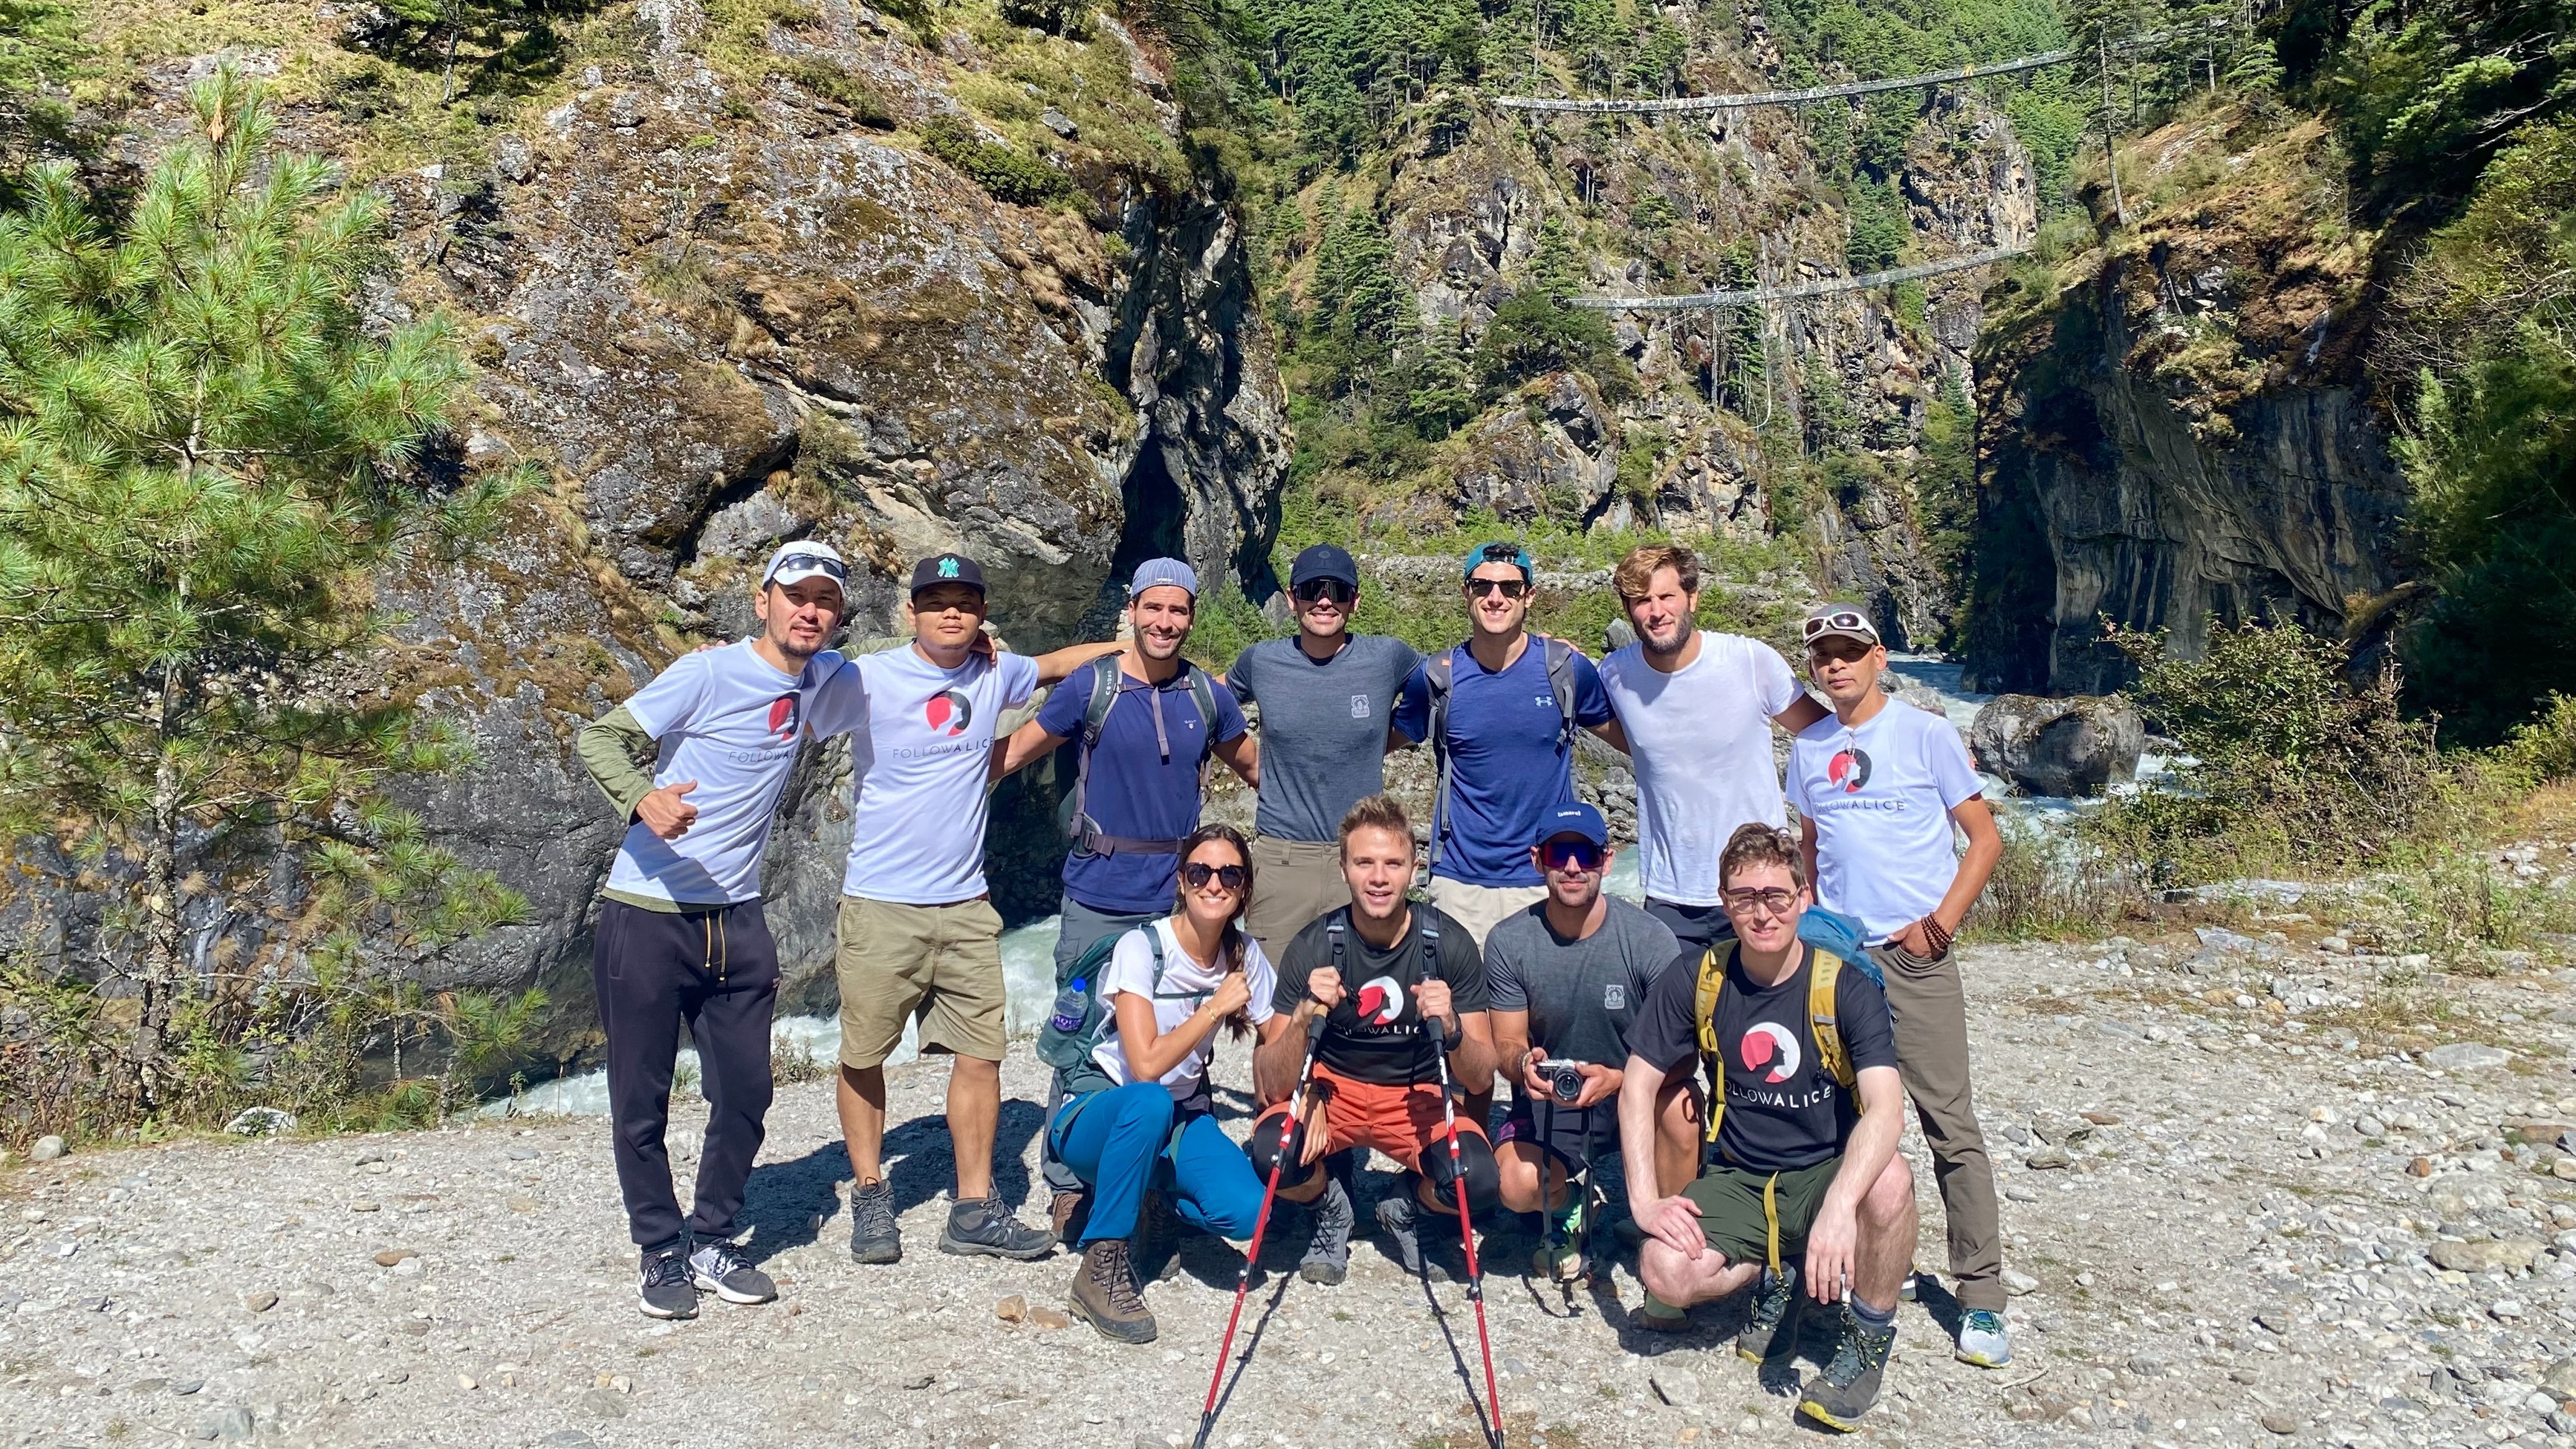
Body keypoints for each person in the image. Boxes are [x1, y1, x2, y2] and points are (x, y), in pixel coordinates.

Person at [811, 551, 1121, 1267]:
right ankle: (869, 1193)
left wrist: (1137, 645)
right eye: (936, 601)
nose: (951, 613)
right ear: (911, 611)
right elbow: (795, 678)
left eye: (965, 602)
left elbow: (1051, 666)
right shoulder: (868, 677)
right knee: (863, 1056)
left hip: (967, 905)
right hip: (882, 904)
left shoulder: (994, 673)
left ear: (981, 613)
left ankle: (974, 1208)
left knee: (981, 1056)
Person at [574, 541, 853, 1319]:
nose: (809, 611)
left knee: (746, 1091)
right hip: (645, 914)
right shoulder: (707, 671)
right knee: (641, 1099)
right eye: (796, 595)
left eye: (825, 601)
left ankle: (713, 1236)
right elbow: (598, 737)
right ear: (762, 600)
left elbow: (922, 673)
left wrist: (981, 650)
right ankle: (660, 1251)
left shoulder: (829, 680)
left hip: (735, 918)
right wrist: (643, 798)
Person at [1618, 823, 1916, 1432]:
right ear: (1724, 903)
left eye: (1776, 895)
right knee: (1662, 1271)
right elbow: (1637, 1084)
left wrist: (1837, 1209)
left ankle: (1863, 1348)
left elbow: (1887, 1110)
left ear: (1803, 898)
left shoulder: (1845, 989)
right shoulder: (1698, 977)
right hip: (1738, 1174)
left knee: (1890, 1179)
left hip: (1822, 1174)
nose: (1762, 913)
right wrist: (1644, 1202)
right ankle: (1776, 1269)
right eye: (1745, 897)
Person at [997, 557, 1259, 1231]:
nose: (1165, 622)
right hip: (1096, 893)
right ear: (1134, 612)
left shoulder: (1207, 696)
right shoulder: (1093, 687)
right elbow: (1015, 753)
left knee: (1167, 1033)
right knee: (1077, 1034)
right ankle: (1066, 1181)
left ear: (1191, 617)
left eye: (1178, 611)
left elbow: (1258, 769)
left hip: (1176, 901)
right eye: (1154, 608)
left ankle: (1150, 1172)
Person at [1787, 603, 2011, 1368]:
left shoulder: (1925, 732)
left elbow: (1984, 839)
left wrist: (1938, 926)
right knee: (1843, 1125)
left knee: (1949, 1126)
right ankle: (1865, 1261)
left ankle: (1980, 1297)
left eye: (1848, 651)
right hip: (1838, 959)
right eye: (1822, 655)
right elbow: (1810, 842)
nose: (1835, 666)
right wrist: (1809, 916)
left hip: (1912, 957)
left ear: (1878, 656)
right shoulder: (1809, 745)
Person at [1045, 824, 1293, 1343]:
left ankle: (1149, 1198)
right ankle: (1100, 1265)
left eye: (1230, 874)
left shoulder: (1245, 956)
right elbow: (1146, 1064)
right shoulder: (1142, 948)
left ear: (1244, 888)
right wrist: (1214, 1009)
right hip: (1098, 1111)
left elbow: (1280, 1044)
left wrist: (1310, 1016)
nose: (1214, 884)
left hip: (1175, 1118)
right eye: (1200, 872)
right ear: (1181, 882)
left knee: (1251, 1211)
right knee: (1151, 1099)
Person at [1247, 794, 1499, 1283]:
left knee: (1478, 1181)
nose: (1378, 877)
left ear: (1413, 869)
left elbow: (1481, 1073)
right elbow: (1268, 1084)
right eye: (1364, 862)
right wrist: (1301, 1020)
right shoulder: (1315, 942)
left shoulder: (1447, 944)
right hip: (1333, 1092)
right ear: (1343, 868)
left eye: (1392, 863)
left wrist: (1451, 1029)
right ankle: (1329, 1208)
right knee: (1272, 1153)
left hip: (1417, 1098)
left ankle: (1405, 1207)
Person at [1485, 803, 1692, 1274]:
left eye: (1586, 854)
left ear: (1607, 860)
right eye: (1560, 854)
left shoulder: (1649, 939)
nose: (1573, 867)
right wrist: (1523, 1066)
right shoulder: (1509, 941)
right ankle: (1571, 1205)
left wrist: (1622, 1080)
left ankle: (1664, 1237)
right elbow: (1507, 1043)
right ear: (1538, 860)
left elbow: (1684, 1054)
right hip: (1554, 1099)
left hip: (1634, 1091)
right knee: (1515, 1184)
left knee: (1682, 1108)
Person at [1595, 545, 1829, 951]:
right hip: (1670, 898)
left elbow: (1827, 737)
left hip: (1759, 889)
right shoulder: (1616, 673)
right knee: (1681, 1013)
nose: (1656, 611)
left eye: (1667, 596)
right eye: (1642, 601)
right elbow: (1627, 737)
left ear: (1692, 598)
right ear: (1628, 608)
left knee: (1764, 1014)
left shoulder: (1749, 661)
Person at [1391, 541, 1619, 951]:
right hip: (1461, 884)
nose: (1495, 598)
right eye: (1482, 586)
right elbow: (1372, 742)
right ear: (1466, 593)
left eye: (1510, 589)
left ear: (1528, 597)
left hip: (1547, 879)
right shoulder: (1436, 677)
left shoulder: (1565, 670)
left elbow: (1633, 738)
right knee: (1461, 1014)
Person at [1224, 543, 1421, 967]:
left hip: (1362, 862)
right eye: (1313, 589)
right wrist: (1250, 765)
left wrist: (1537, 650)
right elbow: (1204, 704)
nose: (1325, 600)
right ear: (1293, 598)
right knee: (1272, 1006)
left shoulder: (1387, 658)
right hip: (1280, 862)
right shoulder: (1262, 661)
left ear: (1355, 600)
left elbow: (1450, 683)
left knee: (1364, 1005)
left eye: (1338, 590)